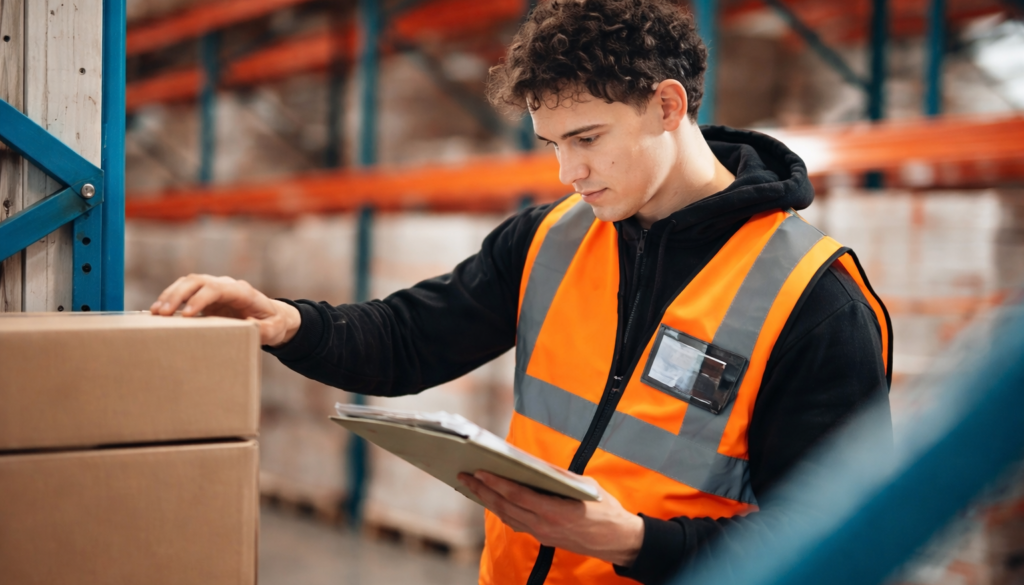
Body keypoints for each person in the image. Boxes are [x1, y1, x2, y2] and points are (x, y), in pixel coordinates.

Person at [151, 0, 893, 583]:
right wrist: (287, 322)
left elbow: (841, 533)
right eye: (553, 145)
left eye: (589, 138)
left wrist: (635, 542)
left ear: (668, 107)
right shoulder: (552, 238)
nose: (568, 172)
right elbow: (409, 339)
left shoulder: (812, 300)